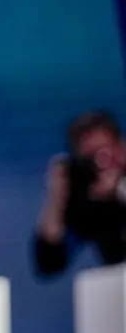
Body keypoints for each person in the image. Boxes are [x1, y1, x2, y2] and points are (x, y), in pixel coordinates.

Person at [34, 109, 126, 275]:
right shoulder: (85, 202)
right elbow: (49, 262)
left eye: (106, 150)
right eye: (91, 157)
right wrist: (56, 195)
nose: (102, 161)